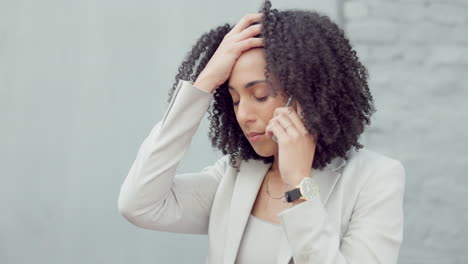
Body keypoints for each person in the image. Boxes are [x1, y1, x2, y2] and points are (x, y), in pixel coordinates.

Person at [118, 1, 406, 263]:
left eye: (260, 95)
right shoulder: (235, 175)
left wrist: (299, 184)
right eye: (234, 99)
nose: (243, 115)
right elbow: (140, 204)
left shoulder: (375, 180)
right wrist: (203, 83)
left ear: (308, 95)